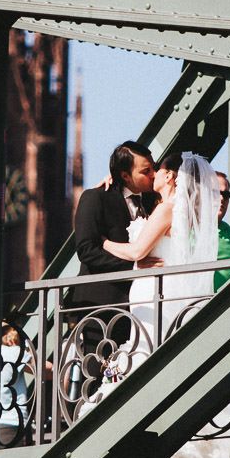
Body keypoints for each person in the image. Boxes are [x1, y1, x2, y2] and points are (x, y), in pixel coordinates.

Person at [98, 152, 220, 382]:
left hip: (154, 291)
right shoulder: (180, 210)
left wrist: (103, 242)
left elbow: (136, 251)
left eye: (158, 170)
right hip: (169, 289)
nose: (153, 174)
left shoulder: (167, 209)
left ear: (170, 176)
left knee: (149, 349)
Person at [70, 141, 157, 385]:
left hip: (145, 305)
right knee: (101, 375)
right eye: (145, 171)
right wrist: (135, 268)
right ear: (124, 175)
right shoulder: (96, 198)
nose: (153, 175)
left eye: (153, 168)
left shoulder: (157, 202)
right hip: (103, 305)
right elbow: (87, 250)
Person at [213, 171, 230, 290]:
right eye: (216, 192)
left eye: (226, 194)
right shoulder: (187, 227)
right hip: (199, 304)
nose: (222, 198)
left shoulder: (228, 229)